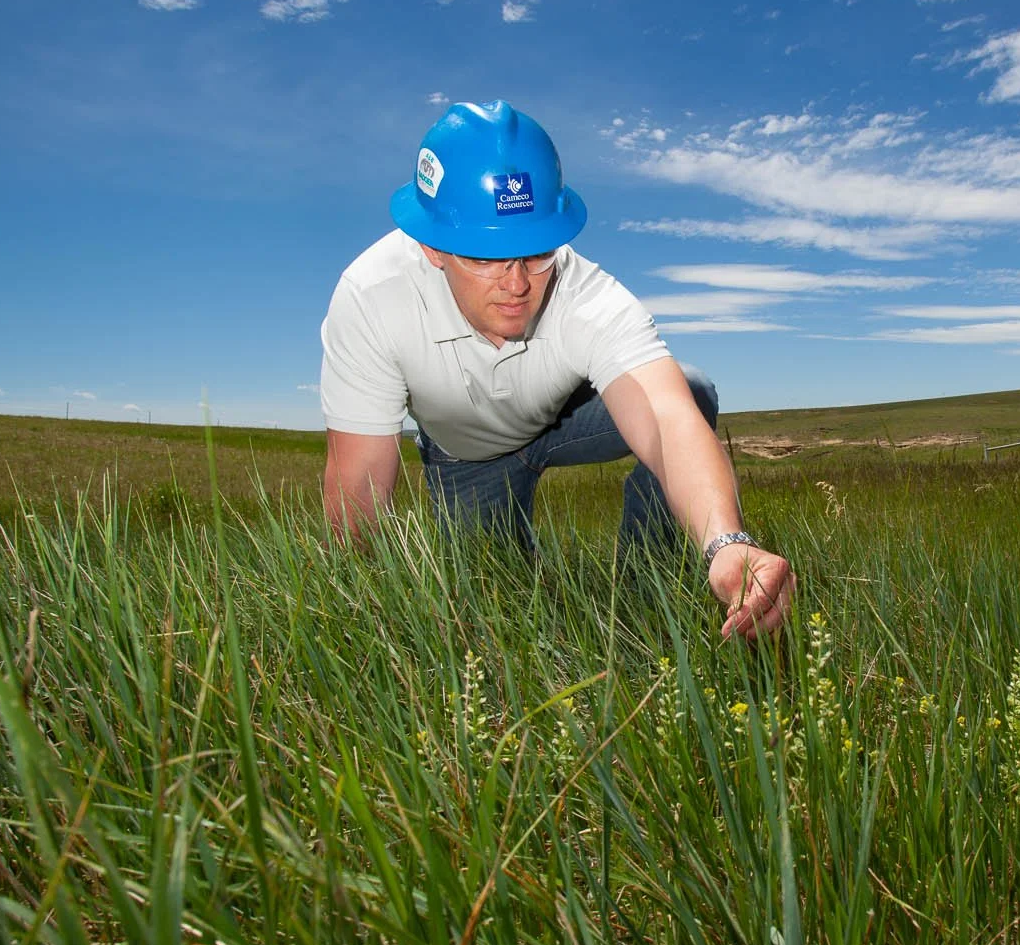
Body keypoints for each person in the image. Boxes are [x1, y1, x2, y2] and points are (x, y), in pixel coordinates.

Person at [319, 99, 794, 639]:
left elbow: (666, 417)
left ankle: (644, 587)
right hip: (466, 459)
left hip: (563, 422)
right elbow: (358, 477)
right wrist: (353, 600)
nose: (517, 283)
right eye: (484, 257)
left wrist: (727, 544)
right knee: (496, 623)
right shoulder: (371, 297)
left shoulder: (587, 293)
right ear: (433, 248)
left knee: (689, 389)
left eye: (535, 252)